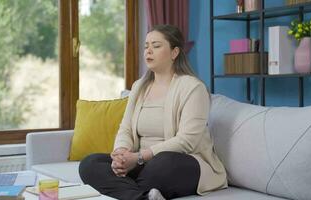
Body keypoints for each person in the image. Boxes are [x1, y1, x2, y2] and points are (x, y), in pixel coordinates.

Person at [79, 24, 227, 200]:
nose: (148, 51)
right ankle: (144, 197)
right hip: (140, 164)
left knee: (162, 164)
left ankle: (128, 191)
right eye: (146, 46)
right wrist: (121, 154)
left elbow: (187, 141)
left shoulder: (193, 87)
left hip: (182, 163)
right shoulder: (139, 87)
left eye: (156, 46)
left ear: (174, 52)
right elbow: (125, 128)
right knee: (90, 163)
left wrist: (138, 157)